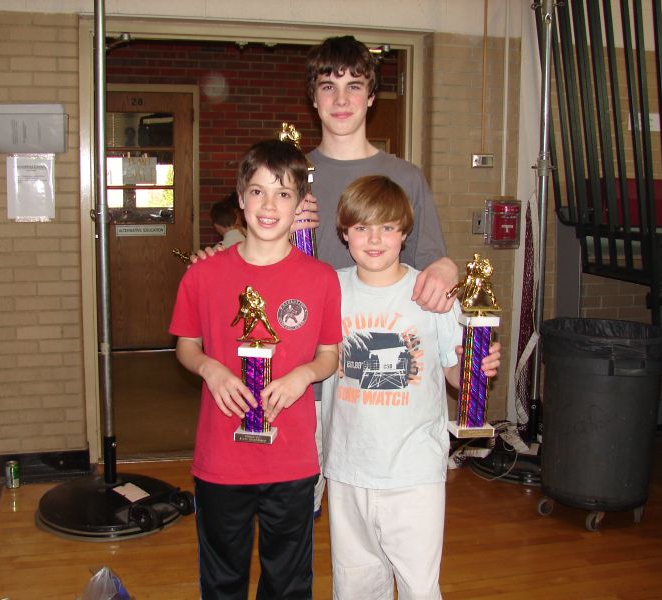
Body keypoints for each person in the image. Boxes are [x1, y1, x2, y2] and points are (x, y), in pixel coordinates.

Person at [169, 138, 341, 599]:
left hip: (292, 457)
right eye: (259, 192)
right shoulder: (203, 274)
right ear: (241, 199)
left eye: (283, 194)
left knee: (288, 582)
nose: (270, 205)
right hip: (221, 457)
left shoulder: (321, 278)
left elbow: (330, 354)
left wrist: (303, 374)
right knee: (223, 579)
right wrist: (211, 369)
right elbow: (186, 346)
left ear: (301, 204)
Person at [321, 175, 501, 600]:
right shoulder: (330, 289)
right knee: (355, 585)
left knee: (420, 587)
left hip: (414, 470)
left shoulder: (433, 294)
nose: (375, 239)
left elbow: (455, 372)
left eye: (387, 227)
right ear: (344, 233)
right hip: (348, 467)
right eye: (362, 227)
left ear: (405, 231)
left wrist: (478, 369)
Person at [302, 34, 459, 516]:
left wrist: (449, 267)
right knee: (299, 511)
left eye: (354, 85)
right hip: (304, 372)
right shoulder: (291, 176)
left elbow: (432, 260)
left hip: (372, 373)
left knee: (380, 507)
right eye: (329, 86)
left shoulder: (404, 177)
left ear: (372, 95)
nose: (342, 98)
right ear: (313, 98)